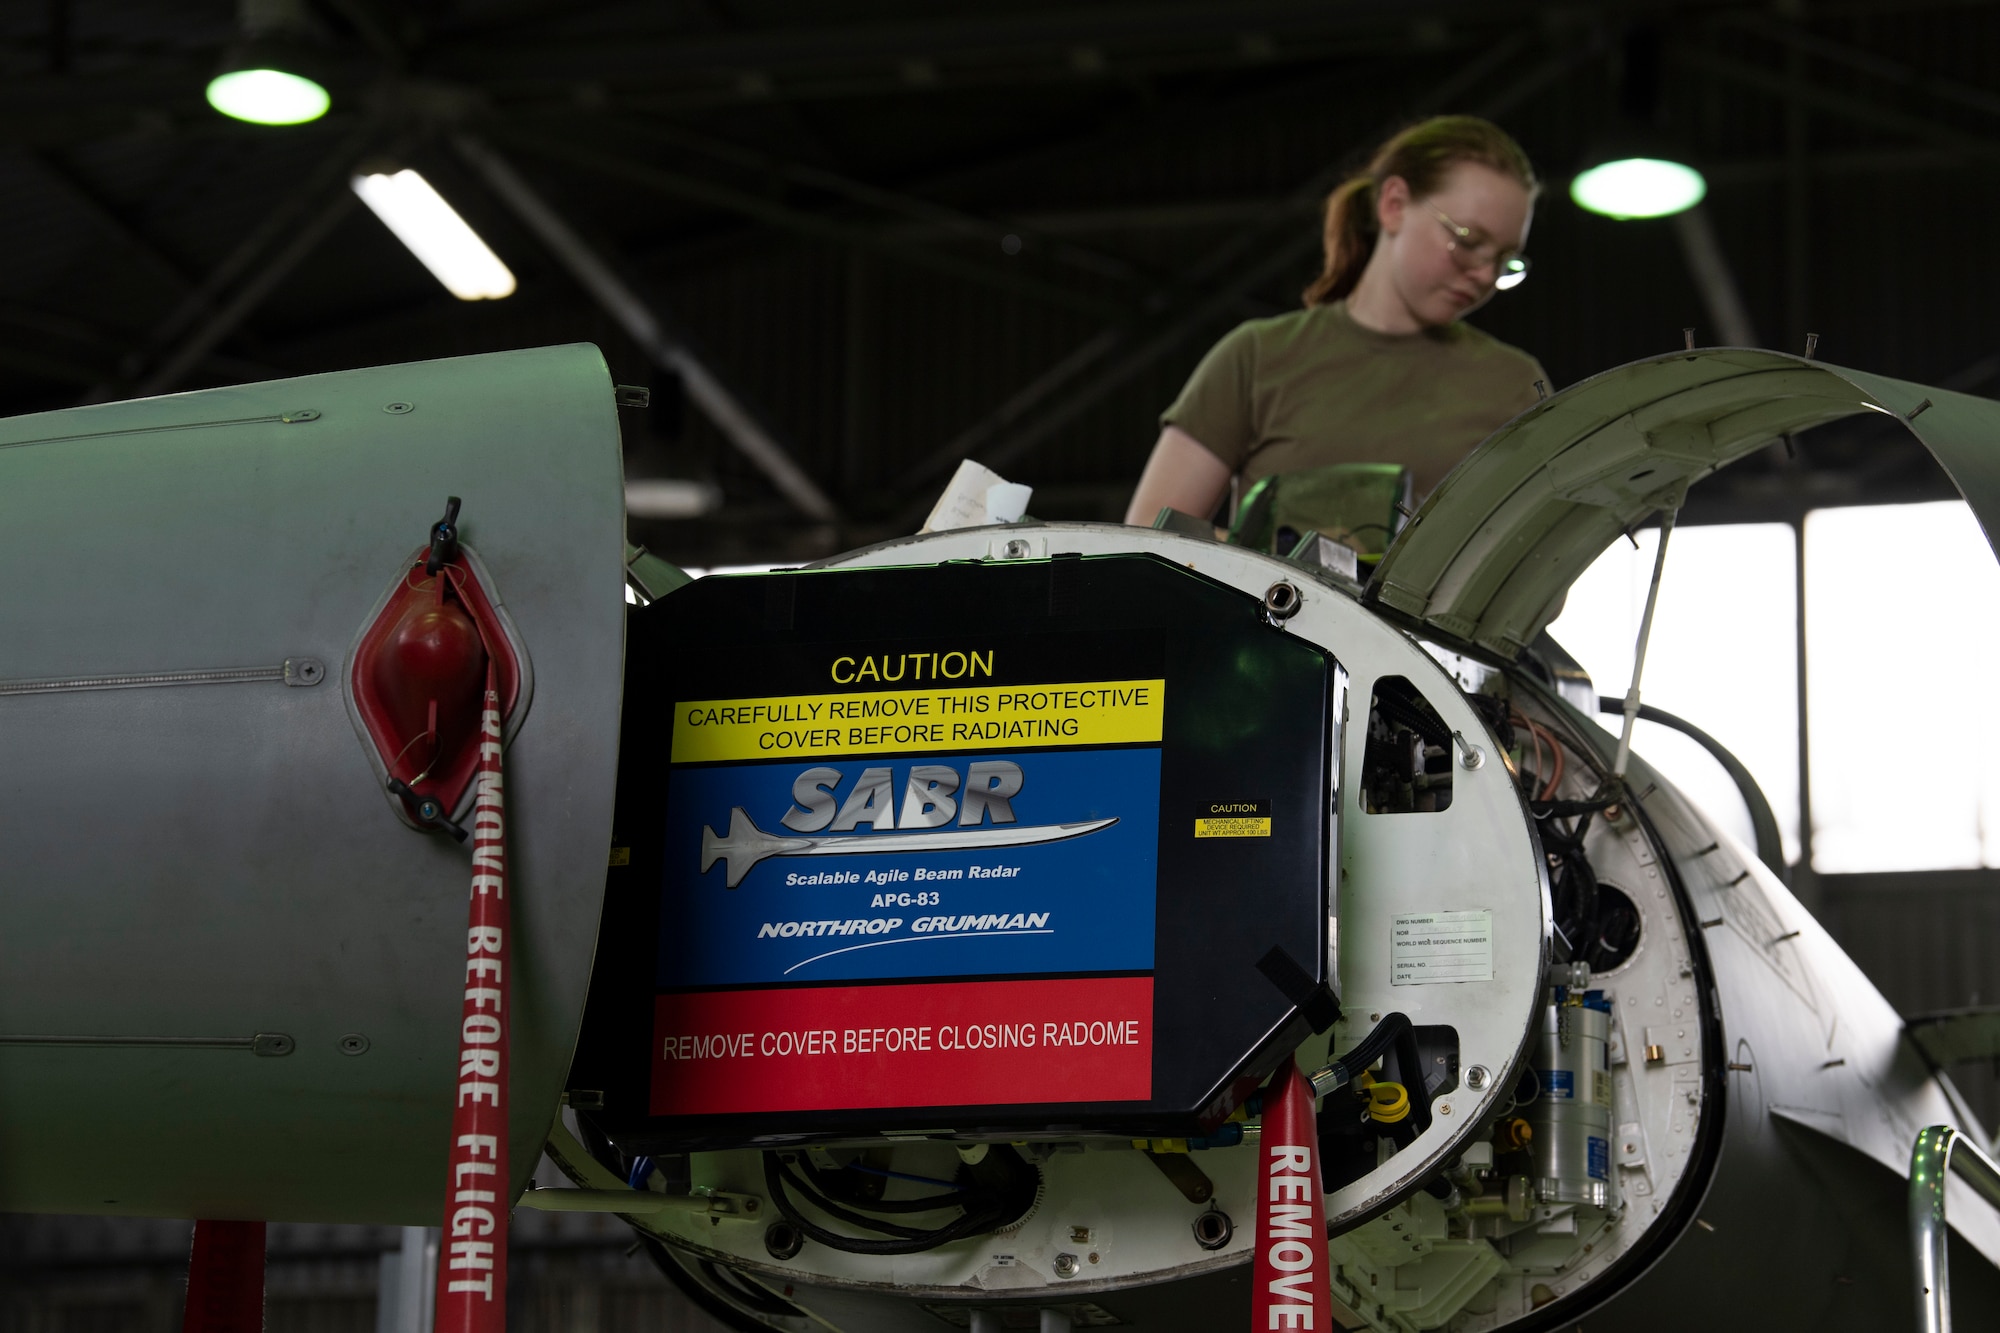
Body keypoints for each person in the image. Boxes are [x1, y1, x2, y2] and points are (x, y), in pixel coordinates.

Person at [1123, 116, 1550, 530]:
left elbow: (1540, 571)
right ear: (1394, 205)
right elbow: (1150, 540)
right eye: (1468, 241)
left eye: (1503, 259)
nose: (1483, 274)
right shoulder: (1257, 358)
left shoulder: (1514, 386)